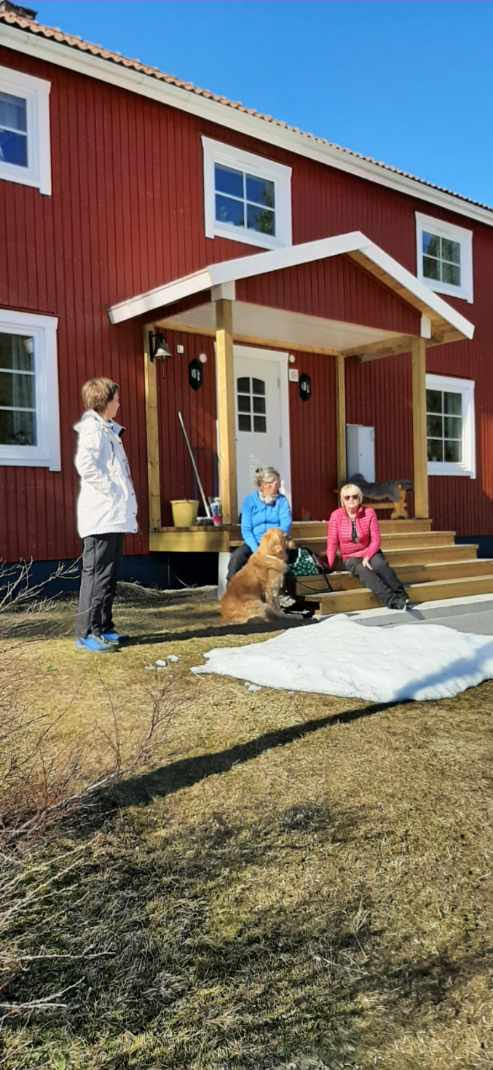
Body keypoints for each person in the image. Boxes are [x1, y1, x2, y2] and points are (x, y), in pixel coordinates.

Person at [74, 378, 138, 652]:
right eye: (116, 399)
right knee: (96, 574)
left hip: (112, 515)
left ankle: (104, 626)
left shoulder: (108, 430)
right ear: (105, 402)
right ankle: (87, 632)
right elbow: (85, 464)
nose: (119, 403)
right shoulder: (93, 429)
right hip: (100, 516)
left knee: (108, 574)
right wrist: (110, 491)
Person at [326, 483, 411, 610]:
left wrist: (367, 556)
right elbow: (332, 542)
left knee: (380, 565)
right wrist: (330, 565)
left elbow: (376, 540)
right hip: (350, 556)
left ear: (360, 498)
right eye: (347, 497)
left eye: (355, 496)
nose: (351, 500)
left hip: (370, 550)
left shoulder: (369, 512)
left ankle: (402, 595)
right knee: (364, 571)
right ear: (342, 500)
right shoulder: (336, 515)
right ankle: (393, 601)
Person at [227, 466, 292, 582]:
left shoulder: (282, 501)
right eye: (273, 483)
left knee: (288, 560)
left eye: (277, 484)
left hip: (276, 543)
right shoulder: (249, 501)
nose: (277, 487)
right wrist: (256, 549)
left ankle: (285, 589)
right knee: (237, 557)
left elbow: (286, 525)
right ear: (263, 485)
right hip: (255, 543)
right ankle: (231, 587)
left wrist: (275, 542)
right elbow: (246, 529)